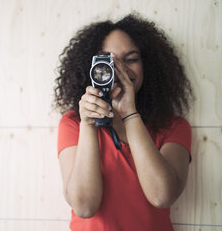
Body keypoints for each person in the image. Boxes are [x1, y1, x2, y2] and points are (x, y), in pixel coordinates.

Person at [53, 13, 194, 231]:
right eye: (107, 61)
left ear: (148, 66)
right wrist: (89, 124)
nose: (119, 70)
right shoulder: (74, 123)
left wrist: (129, 112)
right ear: (90, 69)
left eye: (131, 59)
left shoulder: (174, 126)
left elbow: (162, 196)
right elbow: (84, 206)